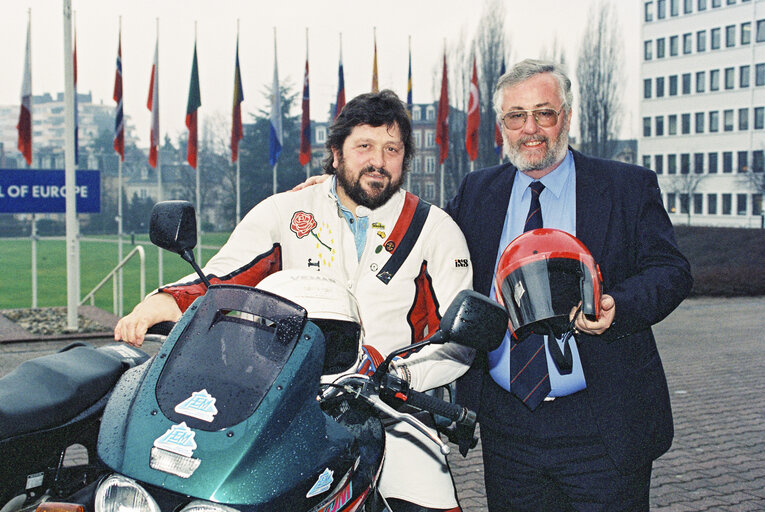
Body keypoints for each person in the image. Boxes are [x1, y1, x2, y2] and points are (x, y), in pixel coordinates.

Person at [114, 89, 473, 512]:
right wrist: (162, 303)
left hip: (390, 407)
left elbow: (460, 335)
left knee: (429, 501)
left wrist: (401, 378)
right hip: (285, 403)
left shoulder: (436, 228)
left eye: (392, 149)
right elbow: (222, 276)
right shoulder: (286, 210)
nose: (379, 160)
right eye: (364, 146)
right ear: (336, 153)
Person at [445, 59, 693, 511]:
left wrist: (620, 305)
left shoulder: (626, 186)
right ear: (502, 125)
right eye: (516, 116)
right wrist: (337, 192)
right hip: (508, 426)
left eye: (545, 112)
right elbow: (425, 244)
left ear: (568, 116)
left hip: (602, 421)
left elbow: (671, 271)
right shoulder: (476, 192)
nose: (531, 129)